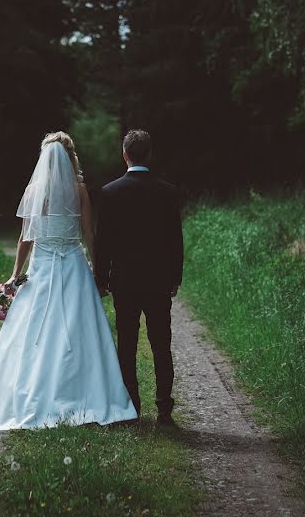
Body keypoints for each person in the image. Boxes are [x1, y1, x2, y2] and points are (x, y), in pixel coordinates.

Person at [0, 132, 138, 429]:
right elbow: (89, 235)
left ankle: (32, 393)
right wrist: (99, 273)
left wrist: (14, 275)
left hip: (41, 269)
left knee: (35, 331)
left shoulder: (33, 191)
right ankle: (85, 394)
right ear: (70, 158)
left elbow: (24, 238)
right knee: (78, 332)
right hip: (73, 266)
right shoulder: (79, 190)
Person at [94, 129, 183, 427]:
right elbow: (175, 240)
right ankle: (164, 409)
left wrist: (101, 277)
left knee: (127, 345)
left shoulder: (110, 192)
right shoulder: (167, 191)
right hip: (158, 281)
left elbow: (102, 240)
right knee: (161, 344)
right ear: (150, 154)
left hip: (125, 282)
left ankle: (132, 407)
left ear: (125, 154)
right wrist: (175, 277)